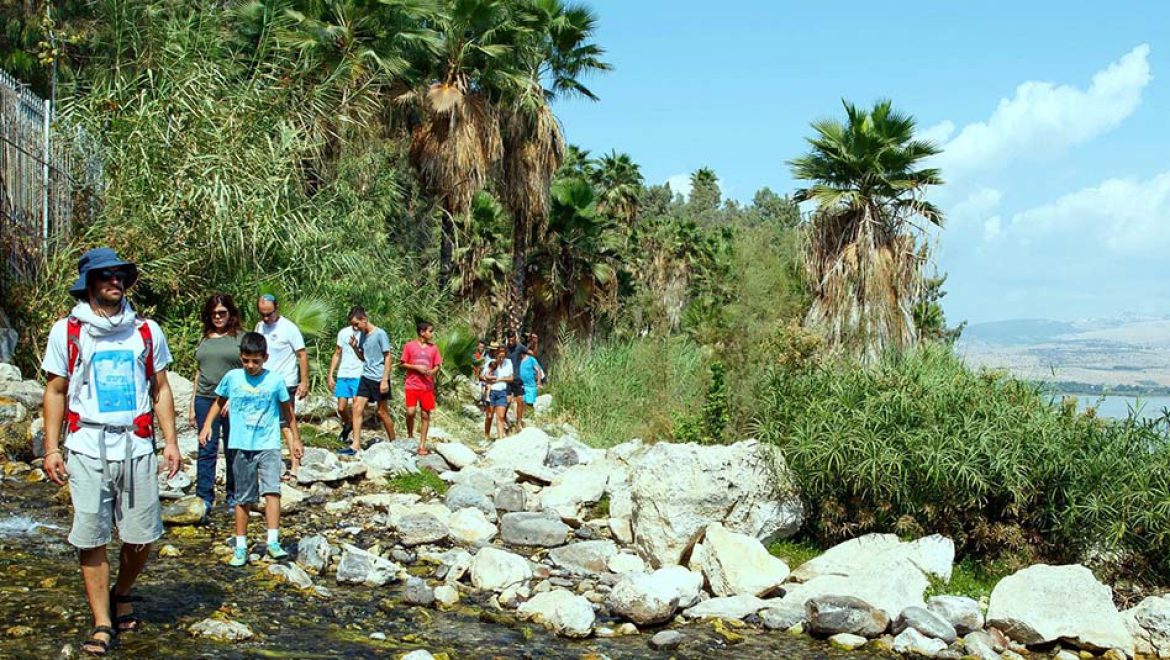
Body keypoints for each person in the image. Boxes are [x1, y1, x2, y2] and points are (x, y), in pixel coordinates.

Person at [40, 247, 182, 656]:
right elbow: (55, 391)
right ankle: (103, 620)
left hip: (136, 444)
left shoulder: (146, 330)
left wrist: (170, 441)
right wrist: (51, 448)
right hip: (86, 446)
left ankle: (121, 591)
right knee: (92, 536)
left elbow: (161, 389)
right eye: (105, 276)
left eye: (119, 275)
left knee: (141, 538)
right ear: (89, 283)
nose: (114, 282)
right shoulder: (66, 332)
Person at [199, 332, 303, 567]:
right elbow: (218, 402)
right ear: (241, 357)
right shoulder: (233, 377)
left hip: (268, 444)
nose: (250, 366)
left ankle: (273, 541)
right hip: (240, 444)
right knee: (242, 498)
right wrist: (207, 425)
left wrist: (295, 440)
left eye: (255, 361)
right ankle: (241, 546)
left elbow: (288, 412)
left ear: (265, 357)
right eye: (246, 360)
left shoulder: (275, 381)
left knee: (272, 491)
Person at [189, 293, 242, 513]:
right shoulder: (205, 339)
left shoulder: (240, 338)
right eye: (213, 314)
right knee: (206, 448)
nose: (217, 317)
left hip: (232, 400)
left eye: (222, 313)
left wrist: (236, 396)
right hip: (205, 398)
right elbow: (199, 373)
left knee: (233, 448)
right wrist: (192, 405)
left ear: (230, 314)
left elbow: (248, 372)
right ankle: (204, 496)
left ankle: (234, 495)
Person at [254, 294, 308, 479]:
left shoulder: (288, 328)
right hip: (263, 382)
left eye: (269, 314)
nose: (266, 318)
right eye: (262, 314)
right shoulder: (259, 327)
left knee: (286, 424)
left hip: (285, 382)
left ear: (277, 309)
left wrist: (304, 381)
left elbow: (302, 354)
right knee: (264, 423)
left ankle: (295, 465)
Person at [344, 308, 395, 455]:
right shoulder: (362, 335)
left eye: (356, 324)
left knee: (382, 412)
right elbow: (363, 357)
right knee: (357, 407)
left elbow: (388, 356)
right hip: (366, 376)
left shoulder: (380, 334)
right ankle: (356, 444)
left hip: (379, 378)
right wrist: (355, 348)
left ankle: (394, 441)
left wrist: (385, 379)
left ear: (364, 320)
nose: (355, 328)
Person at [401, 321, 442, 456]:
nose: (432, 334)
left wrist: (433, 371)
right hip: (412, 385)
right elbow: (403, 363)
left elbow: (437, 364)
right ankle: (410, 434)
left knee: (425, 415)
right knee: (410, 412)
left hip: (427, 386)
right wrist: (416, 367)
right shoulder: (409, 346)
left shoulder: (433, 348)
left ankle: (422, 444)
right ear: (422, 332)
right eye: (430, 331)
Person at [327, 307, 365, 446]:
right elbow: (337, 353)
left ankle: (356, 441)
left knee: (356, 406)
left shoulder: (365, 334)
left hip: (358, 373)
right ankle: (348, 424)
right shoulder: (343, 333)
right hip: (344, 373)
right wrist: (331, 374)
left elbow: (364, 357)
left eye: (356, 323)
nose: (354, 326)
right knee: (342, 408)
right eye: (352, 323)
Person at [482, 344, 513, 440]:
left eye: (503, 356)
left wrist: (500, 379)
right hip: (491, 392)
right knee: (489, 416)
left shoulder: (509, 363)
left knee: (500, 416)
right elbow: (482, 376)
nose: (501, 358)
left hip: (502, 392)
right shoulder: (491, 363)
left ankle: (500, 438)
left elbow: (511, 378)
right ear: (496, 354)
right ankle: (486, 435)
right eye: (500, 356)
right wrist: (489, 379)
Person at [516, 345, 546, 430]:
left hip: (531, 386)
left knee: (530, 403)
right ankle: (523, 419)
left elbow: (538, 370)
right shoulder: (519, 361)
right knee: (522, 403)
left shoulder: (531, 359)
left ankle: (532, 420)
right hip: (522, 385)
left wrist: (538, 382)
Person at [505, 330, 528, 424]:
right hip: (507, 379)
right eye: (509, 340)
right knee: (507, 401)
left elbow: (532, 353)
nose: (511, 342)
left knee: (520, 401)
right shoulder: (505, 348)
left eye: (513, 340)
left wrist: (535, 343)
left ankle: (519, 422)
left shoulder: (520, 347)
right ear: (507, 339)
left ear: (515, 338)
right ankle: (503, 418)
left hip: (517, 378)